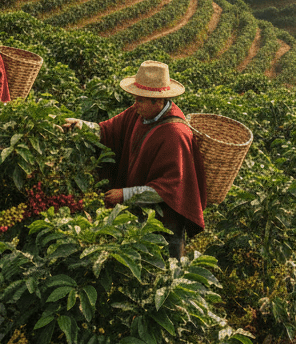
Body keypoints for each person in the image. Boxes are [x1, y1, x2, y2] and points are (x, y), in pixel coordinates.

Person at [64, 60, 206, 257]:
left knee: (165, 262)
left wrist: (125, 195)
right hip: (140, 211)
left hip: (164, 219)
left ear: (157, 101)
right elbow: (108, 131)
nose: (135, 104)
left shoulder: (176, 134)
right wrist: (81, 125)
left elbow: (169, 190)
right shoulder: (139, 113)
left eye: (139, 100)